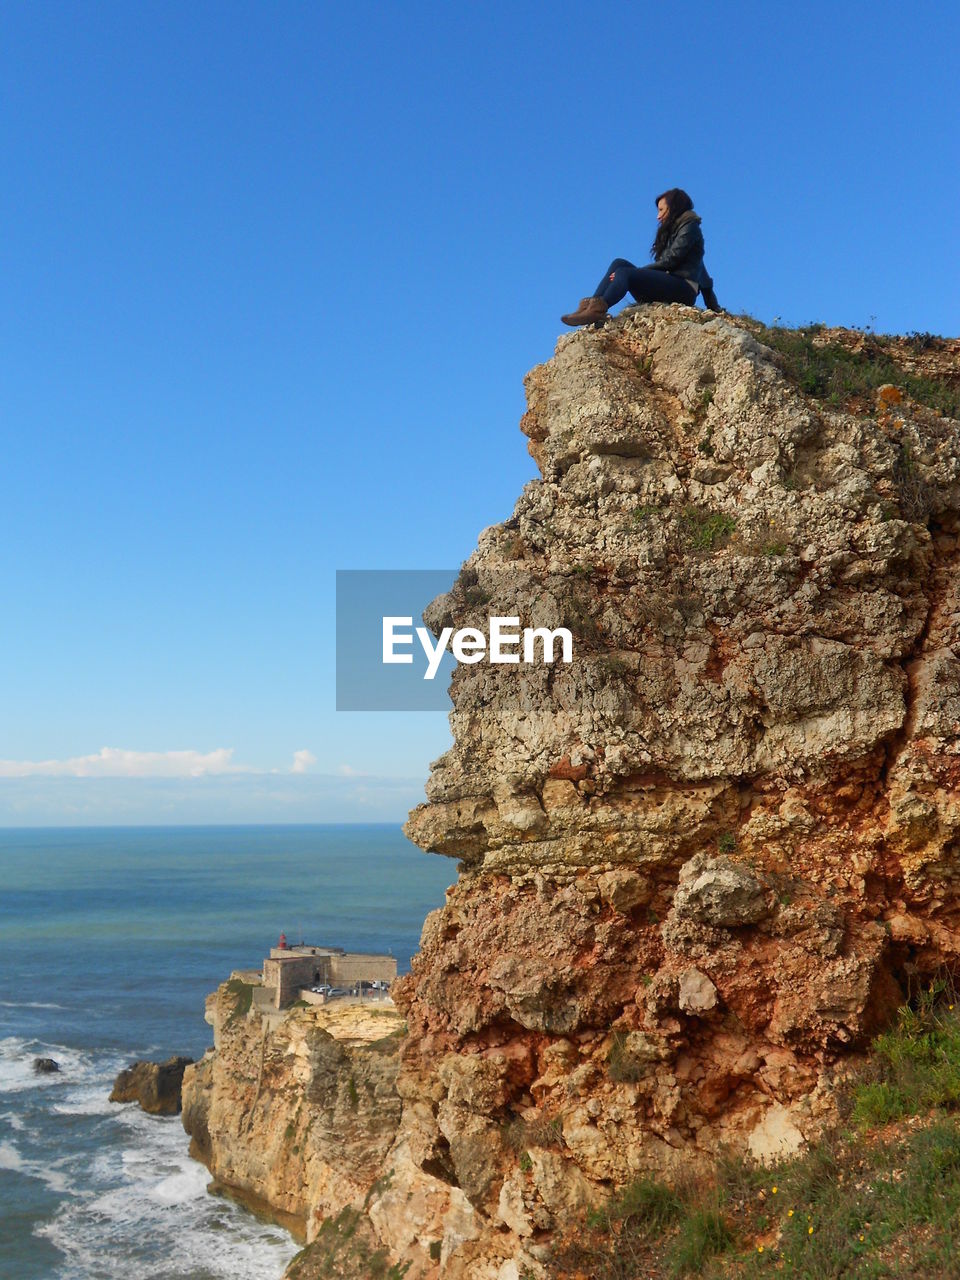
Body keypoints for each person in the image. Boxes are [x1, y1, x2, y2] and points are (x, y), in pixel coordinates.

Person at [561, 188, 720, 326]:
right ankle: (590, 306)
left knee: (624, 272)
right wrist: (713, 304)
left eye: (661, 210)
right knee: (619, 263)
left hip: (682, 289)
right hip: (671, 283)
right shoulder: (676, 230)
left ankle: (598, 310)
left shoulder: (689, 228)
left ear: (674, 208)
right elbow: (702, 270)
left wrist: (714, 308)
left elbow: (671, 260)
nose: (658, 216)